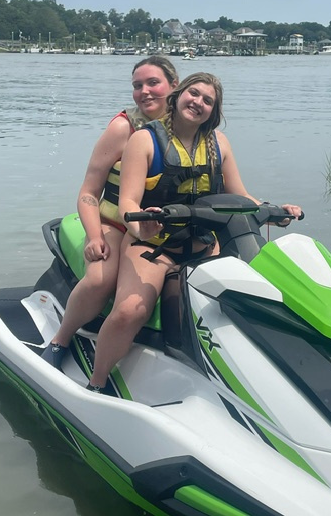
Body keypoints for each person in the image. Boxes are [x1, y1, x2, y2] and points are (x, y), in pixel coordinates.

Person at [88, 72, 302, 390]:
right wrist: (140, 225)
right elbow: (128, 201)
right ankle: (97, 382)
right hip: (152, 244)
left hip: (204, 245)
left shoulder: (220, 144)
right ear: (178, 95)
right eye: (194, 93)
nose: (198, 102)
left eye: (208, 100)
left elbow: (241, 197)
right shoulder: (144, 140)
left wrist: (276, 213)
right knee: (130, 311)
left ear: (213, 111)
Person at [41, 55, 179, 368]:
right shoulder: (122, 128)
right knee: (101, 279)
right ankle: (61, 339)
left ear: (174, 85)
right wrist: (94, 237)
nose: (144, 92)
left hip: (166, 230)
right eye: (137, 86)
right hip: (115, 224)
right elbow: (88, 192)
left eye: (153, 83)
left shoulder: (188, 129)